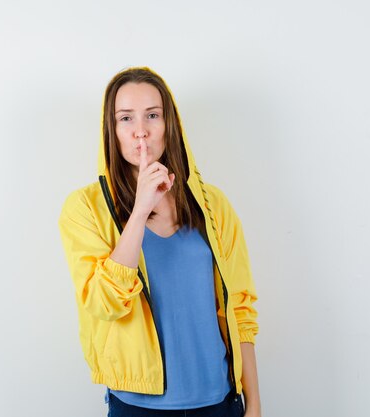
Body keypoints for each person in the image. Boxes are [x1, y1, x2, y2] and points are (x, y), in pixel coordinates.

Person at [58, 67, 261, 417]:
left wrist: (254, 404)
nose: (141, 131)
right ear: (112, 130)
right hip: (137, 407)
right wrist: (139, 212)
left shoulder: (213, 205)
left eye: (153, 115)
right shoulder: (85, 208)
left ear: (170, 125)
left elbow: (240, 309)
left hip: (218, 402)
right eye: (126, 118)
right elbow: (104, 303)